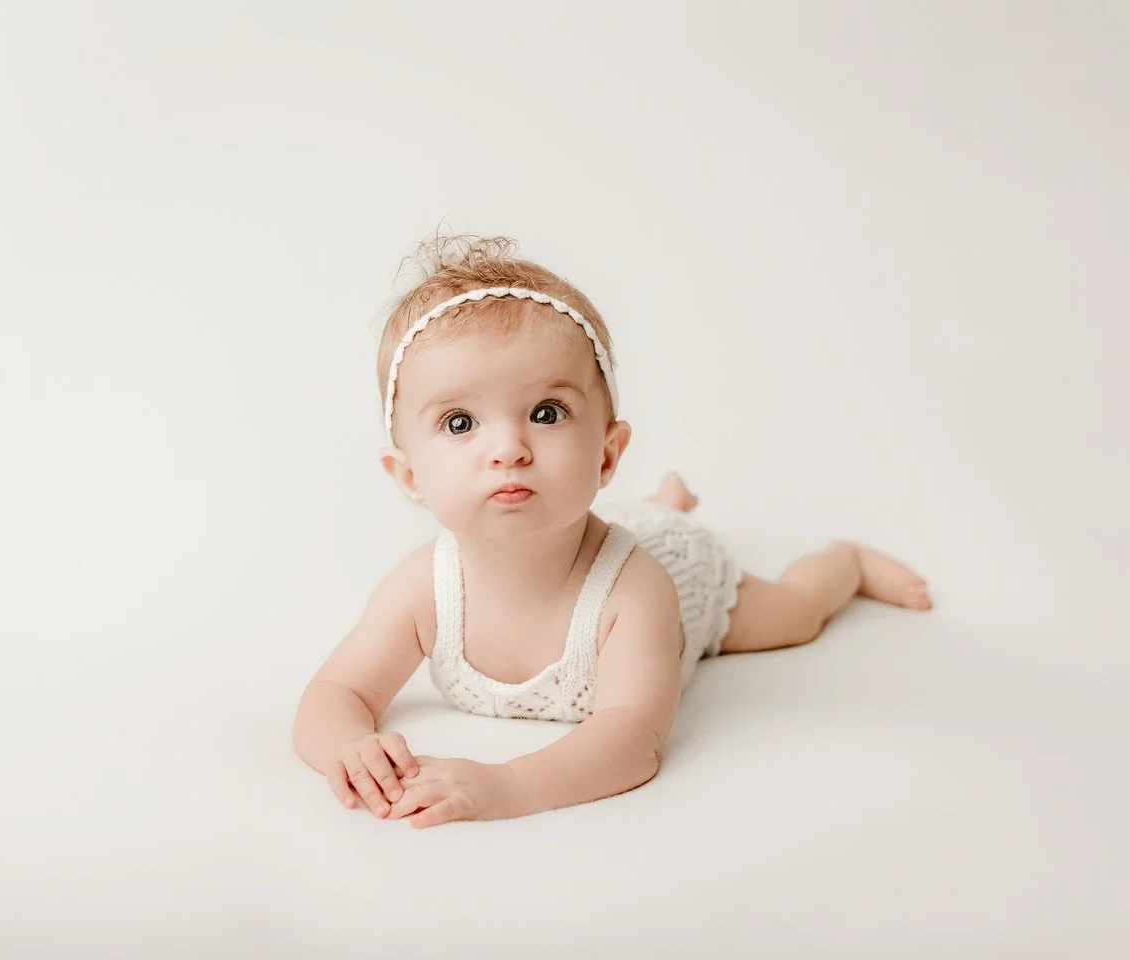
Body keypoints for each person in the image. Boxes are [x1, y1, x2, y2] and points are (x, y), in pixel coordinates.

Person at [293, 235, 932, 828]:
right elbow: (336, 691)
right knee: (654, 512)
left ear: (605, 454)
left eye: (546, 413)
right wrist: (349, 745)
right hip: (606, 519)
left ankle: (843, 563)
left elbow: (631, 739)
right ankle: (667, 500)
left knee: (793, 617)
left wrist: (504, 786)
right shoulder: (421, 590)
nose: (508, 449)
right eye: (460, 423)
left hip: (683, 571)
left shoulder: (638, 593)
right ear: (408, 476)